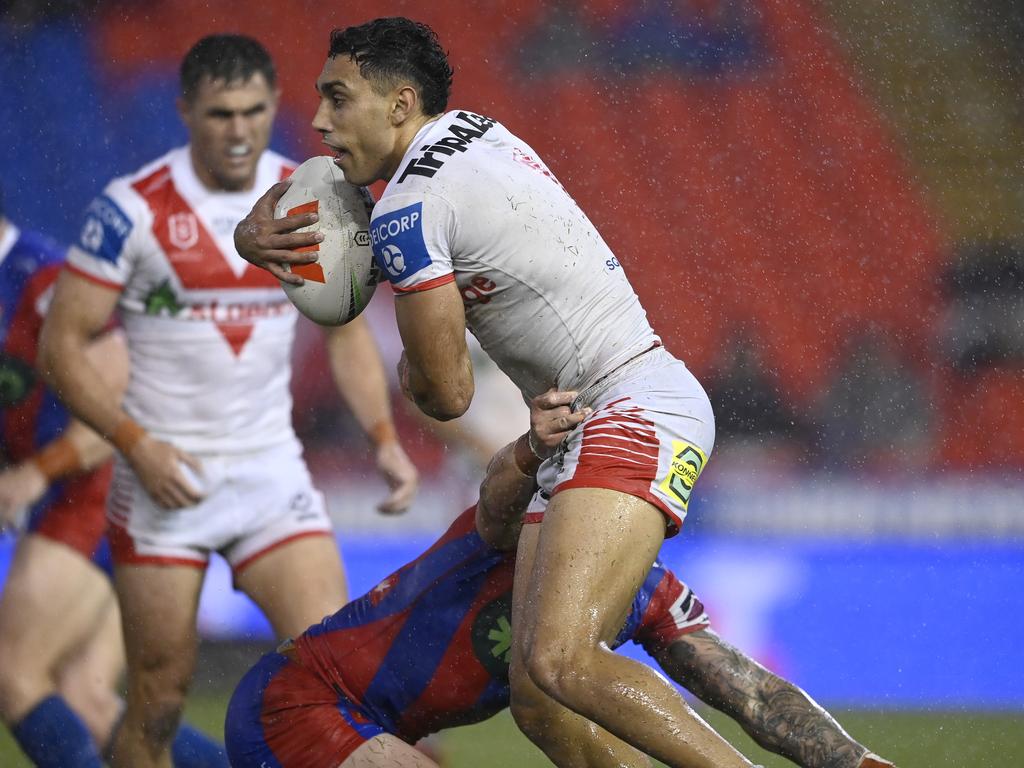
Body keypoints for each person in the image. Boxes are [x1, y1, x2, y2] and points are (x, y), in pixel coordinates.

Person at [233, 17, 745, 767]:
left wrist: (404, 349)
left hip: (618, 409)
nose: (319, 120)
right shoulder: (475, 129)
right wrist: (257, 235)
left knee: (563, 664)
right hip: (620, 401)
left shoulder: (408, 212)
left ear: (401, 104)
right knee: (543, 703)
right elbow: (336, 187)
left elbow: (444, 394)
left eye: (338, 99)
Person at [38, 34, 418, 768]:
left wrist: (383, 439)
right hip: (161, 479)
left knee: (341, 680)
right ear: (185, 111)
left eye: (252, 110)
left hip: (270, 474)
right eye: (219, 114)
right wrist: (134, 443)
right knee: (157, 699)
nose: (238, 130)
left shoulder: (319, 197)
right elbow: (63, 346)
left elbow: (343, 334)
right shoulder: (130, 210)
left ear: (275, 104)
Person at [224, 389, 895, 768]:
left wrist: (850, 759)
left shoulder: (645, 592)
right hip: (304, 702)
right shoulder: (522, 534)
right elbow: (494, 504)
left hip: (380, 728)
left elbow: (749, 693)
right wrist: (532, 446)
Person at [0, 206, 227, 766]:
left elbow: (125, 384)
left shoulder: (39, 275)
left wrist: (39, 472)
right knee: (86, 697)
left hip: (96, 489)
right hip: (102, 491)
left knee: (13, 668)